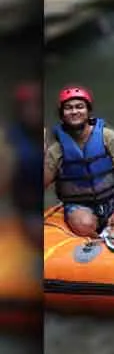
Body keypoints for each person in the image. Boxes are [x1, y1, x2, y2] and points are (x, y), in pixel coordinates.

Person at [43, 86, 114, 251]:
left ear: (88, 111)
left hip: (112, 198)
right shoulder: (56, 149)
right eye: (68, 108)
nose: (74, 111)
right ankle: (100, 240)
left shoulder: (108, 137)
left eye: (79, 107)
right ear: (62, 115)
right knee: (84, 224)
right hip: (80, 205)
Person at [1, 82, 43, 250]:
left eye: (36, 105)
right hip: (23, 209)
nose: (31, 110)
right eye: (26, 105)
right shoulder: (10, 139)